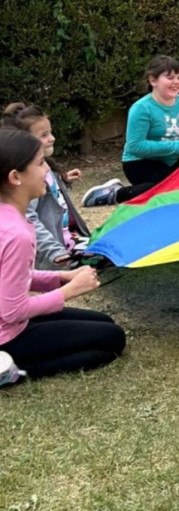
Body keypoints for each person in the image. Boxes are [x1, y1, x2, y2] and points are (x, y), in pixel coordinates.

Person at [0, 128, 125, 382]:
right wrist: (70, 291)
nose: (48, 170)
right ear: (15, 177)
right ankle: (11, 372)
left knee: (105, 323)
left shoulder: (9, 219)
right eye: (40, 163)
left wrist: (61, 277)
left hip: (14, 324)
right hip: (9, 335)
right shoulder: (16, 234)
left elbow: (12, 279)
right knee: (112, 342)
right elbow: (11, 311)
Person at [82, 55, 179, 207]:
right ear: (153, 81)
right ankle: (115, 193)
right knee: (166, 192)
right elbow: (135, 146)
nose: (176, 82)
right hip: (140, 163)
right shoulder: (141, 109)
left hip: (172, 160)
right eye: (170, 78)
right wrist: (175, 147)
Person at [1, 103, 90, 269]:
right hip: (57, 251)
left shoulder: (43, 170)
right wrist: (55, 252)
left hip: (67, 239)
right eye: (44, 135)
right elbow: (29, 220)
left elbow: (50, 195)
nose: (52, 138)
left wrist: (62, 179)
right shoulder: (26, 183)